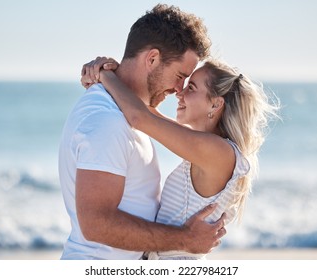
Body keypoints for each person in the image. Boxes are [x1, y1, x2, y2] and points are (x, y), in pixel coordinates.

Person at [58, 4, 226, 260]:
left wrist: (105, 74)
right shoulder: (107, 120)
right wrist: (185, 238)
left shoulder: (126, 111)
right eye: (180, 76)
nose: (179, 90)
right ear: (152, 59)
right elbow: (96, 223)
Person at [80, 57, 280, 259]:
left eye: (191, 88)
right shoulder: (206, 147)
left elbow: (139, 117)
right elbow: (144, 111)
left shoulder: (218, 151)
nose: (180, 93)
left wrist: (104, 74)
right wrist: (112, 76)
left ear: (215, 104)